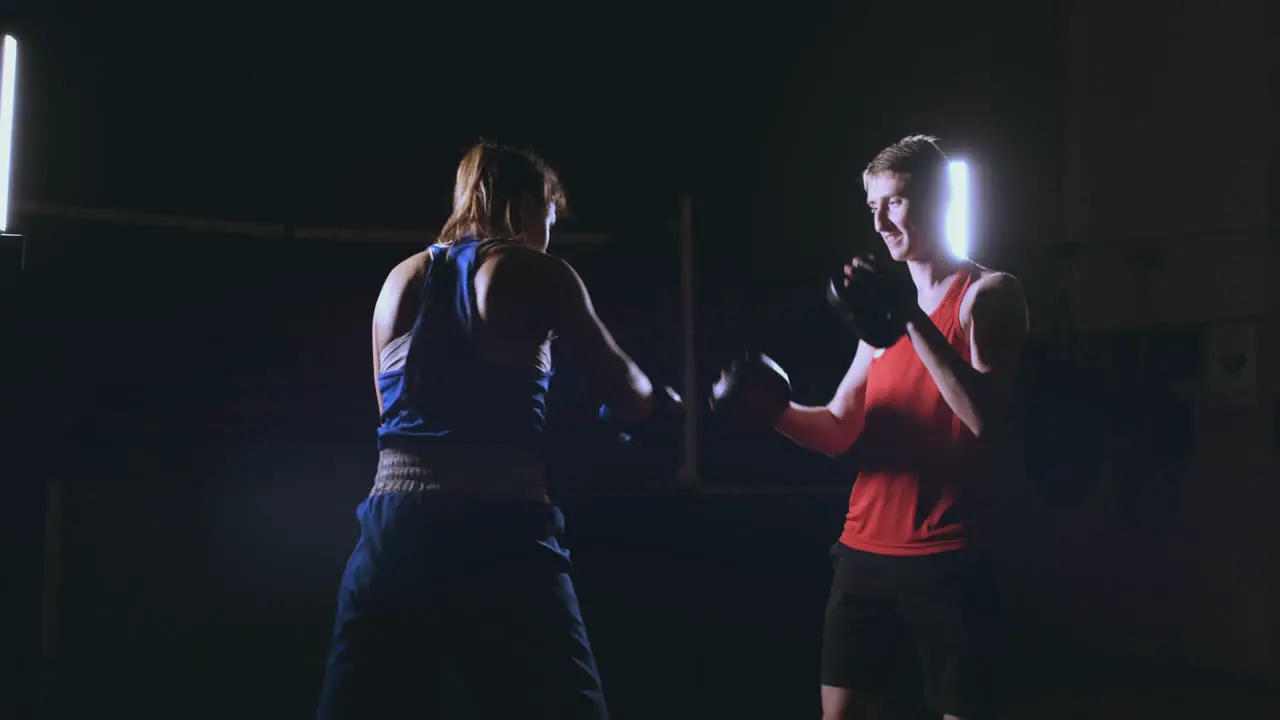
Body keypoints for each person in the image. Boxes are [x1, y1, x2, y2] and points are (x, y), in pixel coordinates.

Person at [316, 141, 674, 720]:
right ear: (529, 207)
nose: (549, 234)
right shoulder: (539, 271)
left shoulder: (397, 281)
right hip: (500, 533)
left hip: (394, 533)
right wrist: (660, 408)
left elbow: (391, 418)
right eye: (550, 220)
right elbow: (628, 395)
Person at [775, 135, 1029, 720]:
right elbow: (840, 425)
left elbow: (985, 422)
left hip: (950, 557)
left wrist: (910, 316)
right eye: (872, 207)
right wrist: (771, 412)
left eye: (895, 202)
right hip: (864, 554)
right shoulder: (880, 319)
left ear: (940, 200)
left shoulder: (986, 295)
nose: (882, 221)